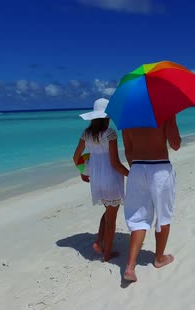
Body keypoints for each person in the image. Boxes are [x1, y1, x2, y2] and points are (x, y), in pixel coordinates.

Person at [121, 115, 181, 282]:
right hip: (159, 168)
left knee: (138, 217)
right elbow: (175, 145)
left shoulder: (128, 116)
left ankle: (130, 267)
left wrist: (138, 170)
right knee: (163, 215)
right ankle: (159, 258)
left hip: (137, 168)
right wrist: (172, 119)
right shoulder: (163, 114)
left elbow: (128, 150)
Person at [72, 98, 129, 262]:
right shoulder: (110, 133)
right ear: (106, 116)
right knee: (112, 219)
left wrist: (83, 172)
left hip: (96, 178)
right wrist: (131, 175)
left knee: (108, 212)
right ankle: (106, 253)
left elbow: (75, 157)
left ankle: (98, 242)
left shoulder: (86, 134)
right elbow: (115, 163)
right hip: (111, 178)